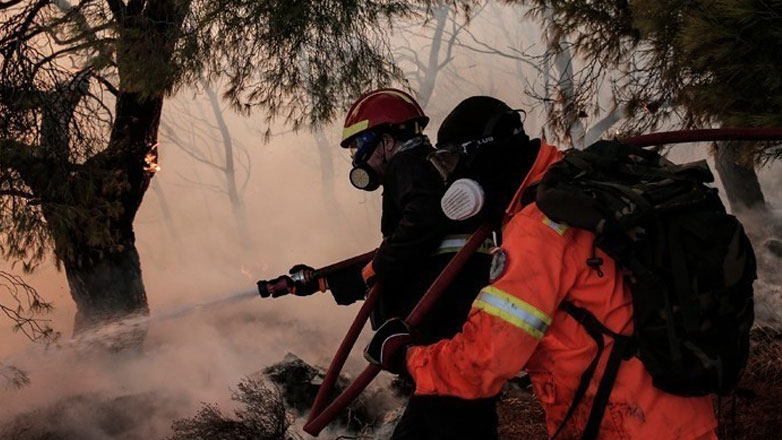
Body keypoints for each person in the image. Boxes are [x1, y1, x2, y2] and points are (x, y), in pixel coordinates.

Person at [365, 97, 719, 439]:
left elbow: (485, 360)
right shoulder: (577, 192)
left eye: (450, 163)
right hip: (674, 419)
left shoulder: (539, 228)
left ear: (481, 156)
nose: (449, 181)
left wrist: (408, 359)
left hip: (628, 427)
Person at [267, 88, 501, 439]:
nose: (356, 159)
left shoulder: (408, 162)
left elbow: (416, 229)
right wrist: (325, 281)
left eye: (360, 145)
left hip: (441, 336)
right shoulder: (432, 171)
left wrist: (374, 271)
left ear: (388, 140)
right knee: (469, 422)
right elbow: (407, 254)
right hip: (454, 335)